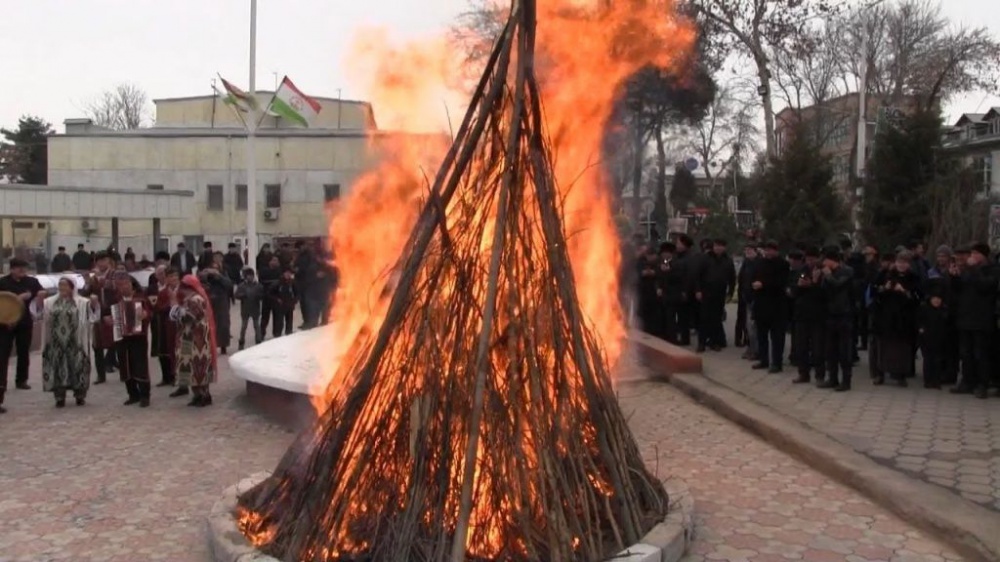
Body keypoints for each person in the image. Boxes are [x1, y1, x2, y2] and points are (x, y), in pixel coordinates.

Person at [31, 278, 99, 407]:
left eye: (65, 285)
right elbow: (39, 315)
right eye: (60, 285)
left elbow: (92, 317)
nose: (62, 288)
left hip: (76, 342)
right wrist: (39, 301)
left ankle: (80, 396)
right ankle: (59, 397)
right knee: (57, 368)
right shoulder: (50, 302)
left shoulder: (81, 302)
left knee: (78, 367)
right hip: (56, 343)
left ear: (72, 287)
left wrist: (94, 304)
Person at [950, 243, 996, 399]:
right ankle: (967, 382)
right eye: (972, 253)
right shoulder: (968, 270)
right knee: (966, 353)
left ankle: (982, 384)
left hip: (982, 319)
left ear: (983, 255)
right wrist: (954, 277)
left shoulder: (992, 270)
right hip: (965, 317)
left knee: (980, 354)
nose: (972, 256)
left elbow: (985, 286)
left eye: (976, 253)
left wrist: (974, 269)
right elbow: (959, 290)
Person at [0, 258, 44, 413]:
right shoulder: (3, 282)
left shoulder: (31, 281)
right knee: (3, 355)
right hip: (5, 323)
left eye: (24, 268)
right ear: (12, 269)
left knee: (24, 350)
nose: (22, 271)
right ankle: (2, 384)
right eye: (19, 268)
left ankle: (21, 379)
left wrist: (38, 295)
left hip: (24, 321)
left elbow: (41, 292)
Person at [871, 251, 922, 387]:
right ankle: (880, 374)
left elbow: (918, 297)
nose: (901, 265)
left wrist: (904, 291)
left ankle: (901, 375)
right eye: (899, 262)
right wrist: (884, 288)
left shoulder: (913, 277)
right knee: (883, 346)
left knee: (902, 348)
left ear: (909, 264)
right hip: (886, 316)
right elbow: (874, 291)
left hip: (904, 318)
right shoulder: (886, 274)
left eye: (904, 262)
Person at [170, 275, 219, 407]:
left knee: (199, 368)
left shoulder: (195, 299)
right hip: (191, 340)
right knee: (192, 368)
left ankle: (204, 396)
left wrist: (175, 308)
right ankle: (198, 395)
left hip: (197, 342)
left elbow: (190, 318)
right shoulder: (190, 299)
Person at [107, 271, 152, 406]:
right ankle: (132, 394)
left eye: (126, 284)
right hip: (121, 336)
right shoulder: (115, 300)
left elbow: (150, 312)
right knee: (125, 365)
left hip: (139, 337)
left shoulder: (141, 298)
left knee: (140, 365)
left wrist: (145, 315)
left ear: (132, 284)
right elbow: (106, 315)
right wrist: (109, 320)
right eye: (120, 285)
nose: (123, 287)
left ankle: (144, 395)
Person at [818, 247, 855, 391]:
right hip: (830, 313)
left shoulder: (847, 271)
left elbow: (838, 285)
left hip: (844, 314)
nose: (824, 263)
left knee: (844, 349)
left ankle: (846, 381)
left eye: (826, 260)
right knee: (830, 349)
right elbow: (823, 291)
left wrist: (828, 276)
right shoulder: (827, 273)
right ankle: (832, 378)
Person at [751, 241, 790, 373]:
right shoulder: (760, 263)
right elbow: (753, 277)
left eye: (770, 250)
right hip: (761, 305)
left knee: (777, 337)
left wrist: (763, 284)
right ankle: (764, 360)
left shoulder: (783, 264)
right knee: (761, 335)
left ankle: (777, 363)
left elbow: (781, 282)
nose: (768, 253)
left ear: (776, 251)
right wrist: (754, 284)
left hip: (777, 306)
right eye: (766, 250)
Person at [79, 251, 118, 383]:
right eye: (99, 261)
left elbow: (117, 287)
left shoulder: (115, 274)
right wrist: (87, 283)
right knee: (97, 345)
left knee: (117, 342)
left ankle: (123, 370)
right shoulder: (93, 277)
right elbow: (85, 293)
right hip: (97, 314)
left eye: (104, 260)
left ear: (109, 261)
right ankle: (101, 375)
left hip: (113, 311)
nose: (101, 263)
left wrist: (100, 280)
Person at [790, 247, 826, 384]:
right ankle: (803, 373)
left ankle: (819, 375)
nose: (810, 262)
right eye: (808, 259)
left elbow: (824, 294)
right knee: (801, 346)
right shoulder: (802, 271)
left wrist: (814, 283)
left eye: (813, 259)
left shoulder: (823, 271)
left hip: (818, 315)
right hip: (802, 314)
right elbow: (794, 292)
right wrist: (800, 285)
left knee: (818, 348)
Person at [696, 239, 736, 352]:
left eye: (721, 246)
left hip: (720, 293)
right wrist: (697, 290)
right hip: (706, 292)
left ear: (724, 248)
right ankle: (701, 343)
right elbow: (697, 275)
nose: (718, 248)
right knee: (704, 318)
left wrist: (730, 293)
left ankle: (714, 342)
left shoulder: (728, 261)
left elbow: (732, 278)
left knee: (716, 319)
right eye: (716, 246)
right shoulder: (705, 258)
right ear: (713, 247)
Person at [150, 266, 180, 388]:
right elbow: (157, 307)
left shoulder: (182, 290)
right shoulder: (162, 292)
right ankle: (169, 376)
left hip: (181, 325)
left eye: (175, 276)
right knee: (167, 350)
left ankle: (179, 378)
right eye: (170, 276)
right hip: (165, 324)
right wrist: (169, 306)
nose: (173, 279)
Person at [919, 280, 949, 390]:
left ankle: (936, 380)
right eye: (934, 298)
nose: (936, 301)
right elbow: (919, 321)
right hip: (927, 339)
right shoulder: (925, 308)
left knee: (938, 360)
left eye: (939, 299)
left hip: (940, 340)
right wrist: (921, 329)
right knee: (927, 360)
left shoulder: (944, 310)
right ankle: (928, 380)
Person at [200, 260, 233, 354]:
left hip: (221, 301)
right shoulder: (206, 275)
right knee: (209, 324)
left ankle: (223, 345)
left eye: (216, 268)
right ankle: (210, 346)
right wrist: (205, 275)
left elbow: (229, 285)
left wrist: (219, 276)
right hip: (209, 300)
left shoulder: (222, 275)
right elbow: (200, 283)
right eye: (213, 268)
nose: (214, 270)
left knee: (223, 324)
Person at [235, 268, 265, 349]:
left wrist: (258, 296)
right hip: (245, 308)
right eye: (248, 276)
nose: (250, 277)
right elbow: (236, 295)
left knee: (256, 326)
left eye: (251, 276)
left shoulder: (258, 286)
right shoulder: (242, 286)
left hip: (255, 308)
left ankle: (258, 341)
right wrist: (242, 296)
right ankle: (241, 341)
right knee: (244, 327)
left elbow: (263, 295)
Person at [270, 269, 298, 338]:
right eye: (286, 273)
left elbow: (297, 293)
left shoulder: (292, 283)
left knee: (289, 321)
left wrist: (294, 301)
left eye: (289, 273)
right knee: (279, 322)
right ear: (283, 274)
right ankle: (277, 335)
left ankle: (289, 334)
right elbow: (270, 293)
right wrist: (277, 299)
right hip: (280, 306)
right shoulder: (278, 283)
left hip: (289, 305)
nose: (288, 274)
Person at [259, 255, 282, 336]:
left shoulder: (279, 271)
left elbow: (281, 282)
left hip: (277, 297)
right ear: (270, 262)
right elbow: (261, 282)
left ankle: (276, 333)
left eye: (277, 260)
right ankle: (262, 333)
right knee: (265, 317)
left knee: (277, 316)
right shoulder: (264, 271)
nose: (275, 262)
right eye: (274, 260)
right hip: (267, 297)